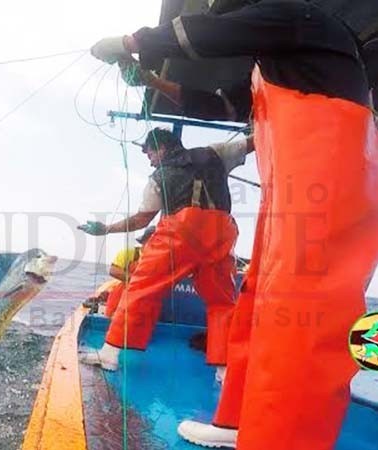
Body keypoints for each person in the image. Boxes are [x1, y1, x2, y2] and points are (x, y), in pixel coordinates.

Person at [90, 1, 378, 448]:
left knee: (304, 309)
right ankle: (237, 421)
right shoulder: (273, 66)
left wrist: (134, 43)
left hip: (330, 176)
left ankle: (284, 440)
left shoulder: (301, 18)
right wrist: (148, 78)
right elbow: (214, 104)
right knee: (253, 298)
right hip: (280, 193)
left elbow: (208, 34)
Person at [78, 128, 251, 375]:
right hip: (222, 233)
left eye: (149, 154)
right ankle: (224, 371)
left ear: (161, 148)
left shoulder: (157, 178)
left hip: (180, 233)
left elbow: (140, 220)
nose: (149, 160)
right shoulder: (217, 152)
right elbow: (253, 142)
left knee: (140, 289)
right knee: (222, 302)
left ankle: (109, 355)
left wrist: (105, 229)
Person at [85, 226, 156, 316]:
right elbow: (113, 270)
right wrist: (141, 281)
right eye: (152, 241)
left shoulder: (162, 260)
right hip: (119, 302)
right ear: (144, 241)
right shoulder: (130, 253)